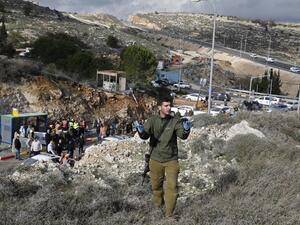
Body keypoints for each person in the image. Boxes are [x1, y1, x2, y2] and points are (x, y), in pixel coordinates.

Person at [136, 96, 191, 218]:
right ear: (159, 107)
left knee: (172, 187)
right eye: (165, 106)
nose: (168, 108)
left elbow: (182, 135)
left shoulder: (175, 121)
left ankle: (168, 215)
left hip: (171, 160)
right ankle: (158, 209)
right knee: (156, 187)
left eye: (169, 105)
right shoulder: (152, 120)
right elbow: (145, 135)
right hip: (155, 159)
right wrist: (140, 131)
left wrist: (186, 130)